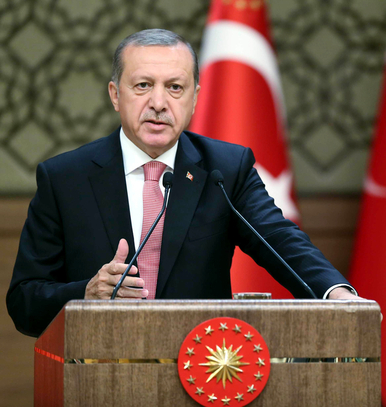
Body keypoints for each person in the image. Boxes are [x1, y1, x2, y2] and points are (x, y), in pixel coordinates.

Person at [6, 29, 359, 337]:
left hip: (202, 370)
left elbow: (280, 240)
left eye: (175, 88)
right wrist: (86, 293)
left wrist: (336, 293)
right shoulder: (65, 178)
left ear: (194, 98)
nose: (158, 103)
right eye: (143, 85)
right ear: (115, 95)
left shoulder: (225, 170)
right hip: (98, 371)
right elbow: (24, 301)